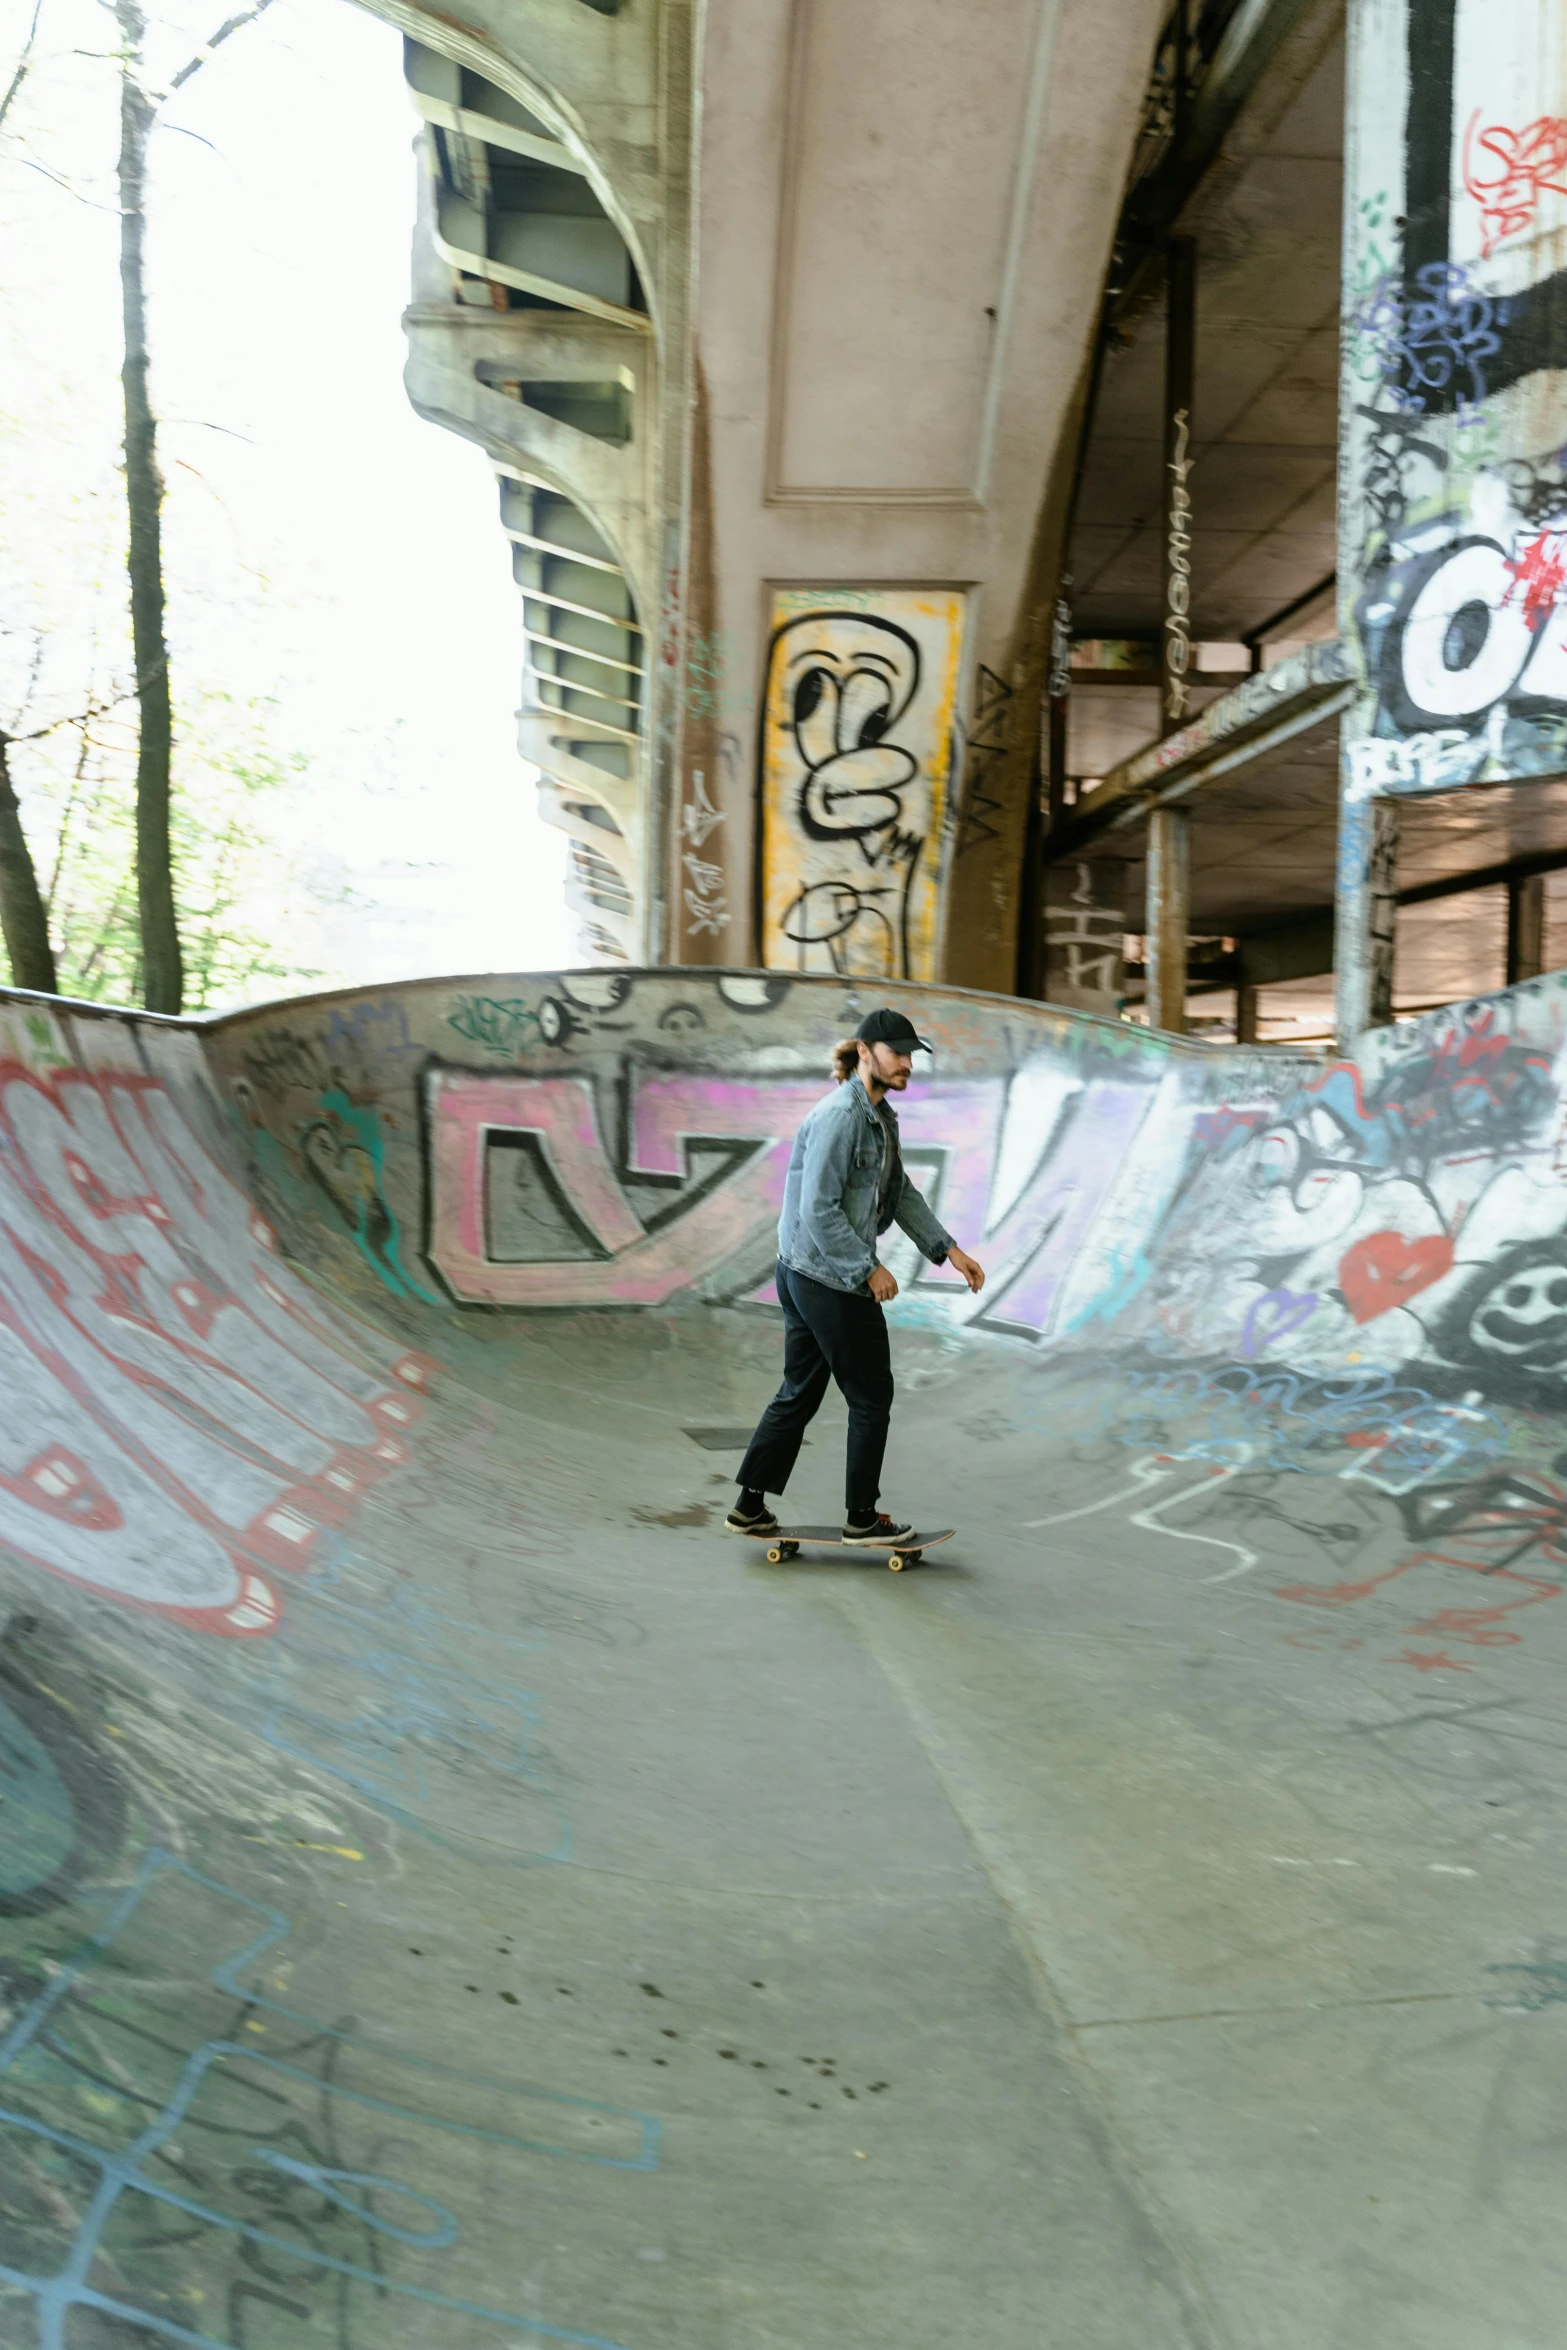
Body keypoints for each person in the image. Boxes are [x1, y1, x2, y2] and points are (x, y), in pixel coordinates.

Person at [727, 1007, 985, 1544]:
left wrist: (948, 1249)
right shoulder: (840, 1117)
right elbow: (819, 1209)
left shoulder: (879, 1115)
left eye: (911, 1055)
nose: (907, 1064)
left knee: (799, 1392)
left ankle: (750, 1506)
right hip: (829, 1279)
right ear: (866, 1052)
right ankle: (861, 1519)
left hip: (806, 1272)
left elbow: (900, 1191)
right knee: (872, 1397)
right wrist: (868, 1270)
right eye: (897, 1053)